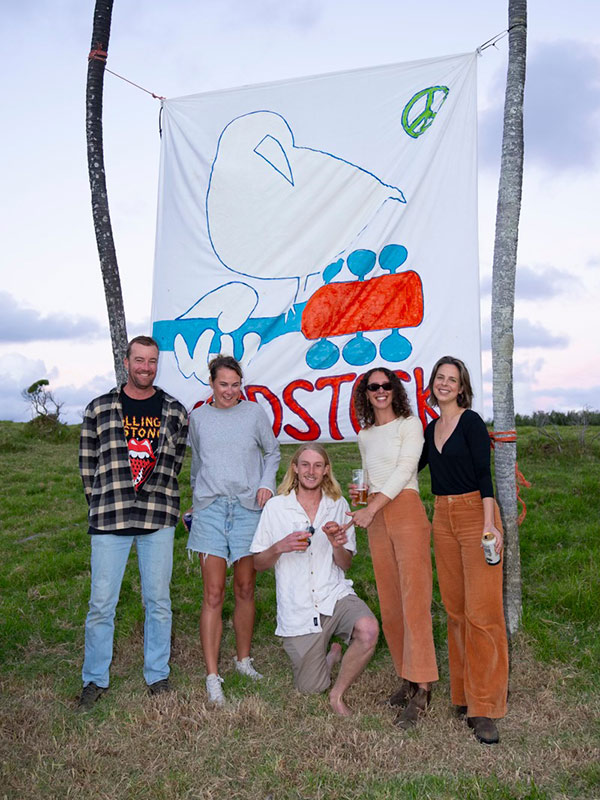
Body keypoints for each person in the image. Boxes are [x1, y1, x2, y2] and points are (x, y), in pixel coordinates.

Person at [78, 335, 188, 710]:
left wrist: (155, 496)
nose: (146, 367)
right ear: (127, 362)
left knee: (158, 601)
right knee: (101, 604)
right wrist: (104, 502)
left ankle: (157, 674)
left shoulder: (174, 410)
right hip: (110, 518)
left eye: (152, 361)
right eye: (139, 360)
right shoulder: (99, 408)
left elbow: (175, 464)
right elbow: (87, 464)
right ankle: (94, 678)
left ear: (158, 364)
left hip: (158, 518)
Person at [251, 444, 379, 717]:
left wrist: (336, 544)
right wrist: (279, 547)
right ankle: (331, 654)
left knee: (368, 630)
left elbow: (345, 563)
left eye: (318, 465)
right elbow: (257, 564)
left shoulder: (338, 505)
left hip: (333, 595)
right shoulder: (276, 507)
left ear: (326, 471)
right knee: (310, 687)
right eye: (305, 464)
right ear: (295, 468)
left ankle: (337, 695)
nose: (311, 471)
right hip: (298, 609)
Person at [420, 355, 508, 745]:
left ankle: (485, 707)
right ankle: (462, 694)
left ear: (461, 387)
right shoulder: (430, 429)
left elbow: (484, 475)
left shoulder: (471, 422)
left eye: (451, 379)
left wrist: (490, 523)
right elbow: (410, 468)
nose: (444, 384)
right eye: (439, 377)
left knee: (483, 613)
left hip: (476, 514)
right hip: (443, 516)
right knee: (455, 611)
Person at [187, 355, 280, 706]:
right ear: (211, 384)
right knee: (213, 593)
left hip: (246, 509)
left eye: (235, 384)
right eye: (223, 384)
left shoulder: (254, 414)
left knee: (244, 587)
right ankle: (213, 676)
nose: (230, 391)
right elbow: (197, 462)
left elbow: (272, 452)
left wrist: (266, 484)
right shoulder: (197, 418)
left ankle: (243, 661)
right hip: (210, 509)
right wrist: (196, 501)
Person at [347, 367, 438, 727]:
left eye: (386, 386)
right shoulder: (364, 435)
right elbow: (371, 476)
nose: (381, 391)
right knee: (391, 602)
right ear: (366, 394)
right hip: (377, 515)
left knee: (415, 601)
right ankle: (406, 678)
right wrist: (363, 497)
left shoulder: (409, 425)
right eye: (374, 387)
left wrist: (371, 506)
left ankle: (424, 688)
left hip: (404, 509)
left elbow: (404, 471)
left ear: (394, 390)